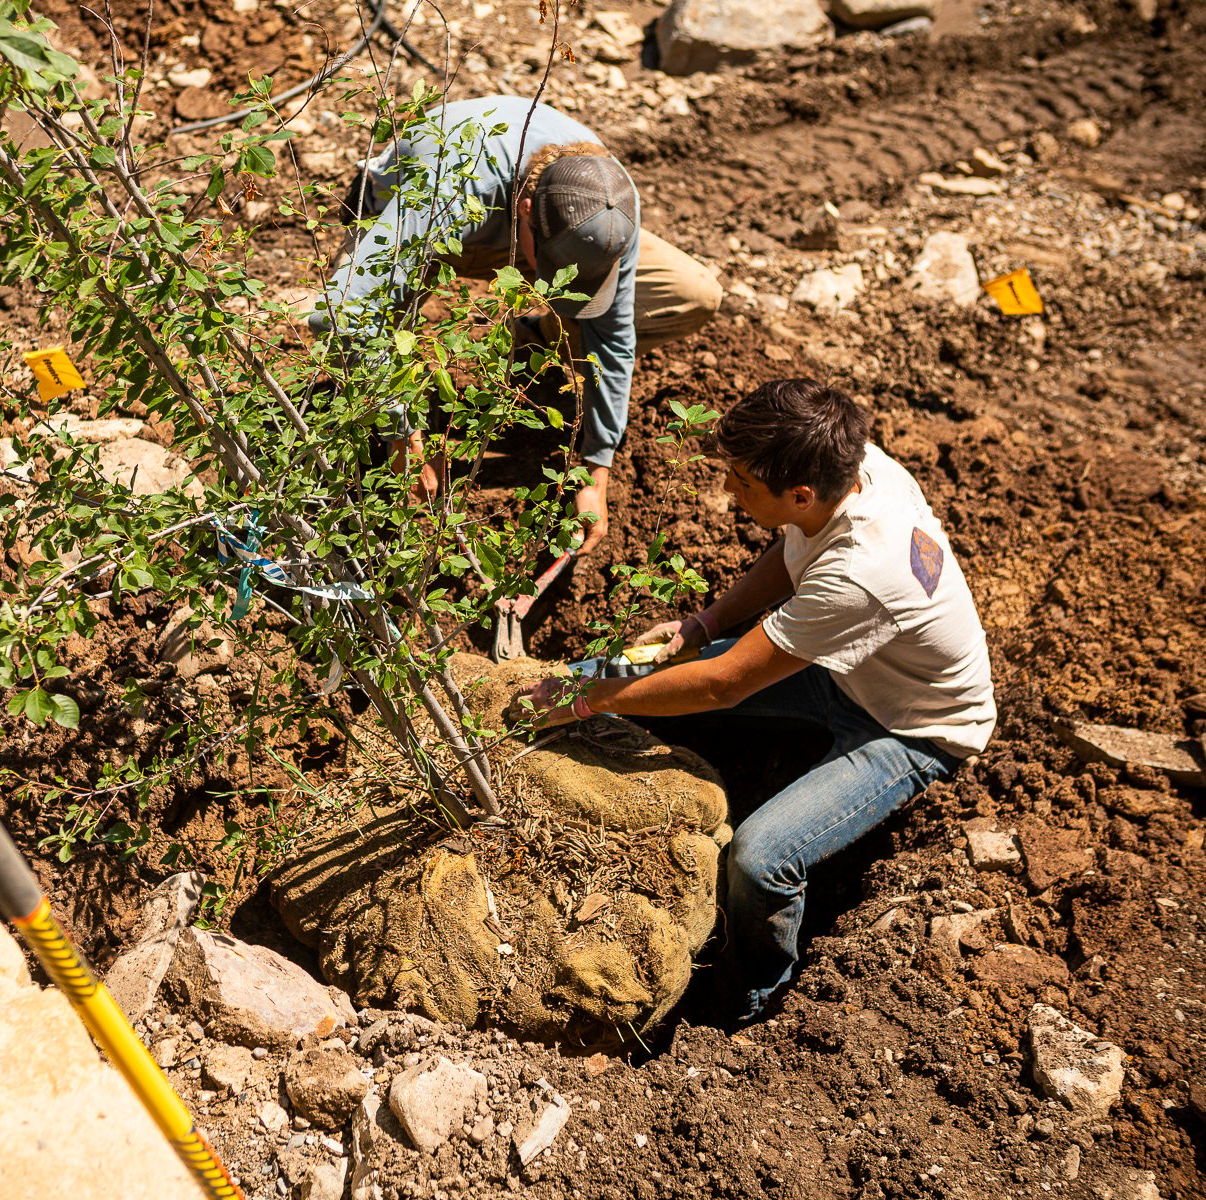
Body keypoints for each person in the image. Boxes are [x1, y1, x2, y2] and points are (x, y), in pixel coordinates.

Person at [511, 378, 996, 1022]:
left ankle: (749, 1001)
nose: (728, 491)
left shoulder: (860, 574)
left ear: (798, 492)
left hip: (913, 724)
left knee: (761, 859)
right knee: (607, 673)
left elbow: (723, 684)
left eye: (741, 481)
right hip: (845, 664)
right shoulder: (853, 469)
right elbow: (793, 551)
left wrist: (587, 703)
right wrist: (704, 624)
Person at [307, 95, 722, 556]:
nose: (557, 285)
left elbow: (614, 339)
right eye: (553, 270)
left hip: (527, 236)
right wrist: (405, 436)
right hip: (430, 216)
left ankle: (535, 339)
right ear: (525, 208)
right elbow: (340, 313)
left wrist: (596, 468)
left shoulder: (609, 199)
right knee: (365, 326)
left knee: (694, 294)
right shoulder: (454, 182)